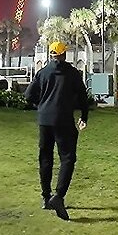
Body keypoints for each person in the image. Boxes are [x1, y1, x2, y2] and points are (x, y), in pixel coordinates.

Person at [24, 41, 91, 221]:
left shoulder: (42, 72)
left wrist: (42, 106)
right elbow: (83, 97)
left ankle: (46, 197)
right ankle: (58, 196)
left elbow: (29, 95)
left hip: (45, 120)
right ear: (64, 55)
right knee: (68, 158)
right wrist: (83, 116)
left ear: (51, 55)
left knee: (45, 157)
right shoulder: (72, 73)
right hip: (63, 120)